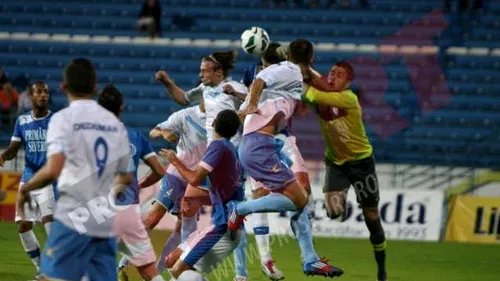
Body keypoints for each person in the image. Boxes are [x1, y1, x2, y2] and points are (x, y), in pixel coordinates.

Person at [229, 39, 343, 278]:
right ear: (310, 59)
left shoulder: (292, 75)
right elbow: (260, 81)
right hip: (259, 147)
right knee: (299, 201)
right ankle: (240, 209)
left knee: (301, 198)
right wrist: (250, 104)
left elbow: (315, 85)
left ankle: (310, 259)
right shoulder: (288, 69)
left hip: (263, 146)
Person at [15, 58, 132, 281]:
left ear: (64, 87)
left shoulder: (61, 119)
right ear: (95, 87)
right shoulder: (115, 124)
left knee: (48, 277)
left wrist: (25, 189)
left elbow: (53, 169)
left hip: (74, 214)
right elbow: (125, 177)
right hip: (104, 217)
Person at [156, 50, 249, 280]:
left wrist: (237, 93)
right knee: (195, 201)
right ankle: (191, 251)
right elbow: (183, 98)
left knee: (227, 209)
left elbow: (253, 107)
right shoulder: (204, 90)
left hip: (229, 156)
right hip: (213, 156)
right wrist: (168, 83)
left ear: (218, 71)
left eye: (204, 71)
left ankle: (240, 273)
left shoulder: (236, 88)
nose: (201, 75)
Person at [225, 42, 313, 281]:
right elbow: (257, 97)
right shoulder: (263, 77)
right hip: (260, 141)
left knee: (303, 193)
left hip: (280, 139)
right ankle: (266, 259)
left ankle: (307, 255)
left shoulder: (285, 72)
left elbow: (261, 94)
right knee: (262, 196)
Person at [304, 60, 388, 281]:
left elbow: (311, 93)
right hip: (336, 163)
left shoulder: (349, 98)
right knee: (333, 212)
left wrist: (302, 72)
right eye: (331, 72)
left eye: (339, 74)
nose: (333, 76)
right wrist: (303, 68)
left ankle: (381, 267)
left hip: (361, 163)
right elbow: (315, 85)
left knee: (371, 215)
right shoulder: (324, 95)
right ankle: (343, 193)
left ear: (348, 82)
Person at [118, 101, 208, 278]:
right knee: (153, 218)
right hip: (176, 174)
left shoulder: (219, 115)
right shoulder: (186, 115)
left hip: (197, 179)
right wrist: (164, 132)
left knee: (181, 228)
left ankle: (159, 273)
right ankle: (123, 263)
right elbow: (154, 131)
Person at [160, 109, 245, 280]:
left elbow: (194, 178)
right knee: (173, 262)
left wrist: (175, 161)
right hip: (226, 226)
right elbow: (223, 194)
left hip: (222, 228)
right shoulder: (232, 151)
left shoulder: (218, 146)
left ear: (213, 124)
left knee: (178, 272)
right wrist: (192, 197)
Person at [97, 84, 166, 281]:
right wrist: (140, 184)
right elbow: (160, 171)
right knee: (148, 270)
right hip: (129, 211)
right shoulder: (135, 137)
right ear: (122, 107)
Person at [0, 81, 55, 279]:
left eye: (46, 92)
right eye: (39, 92)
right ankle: (41, 270)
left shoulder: (56, 120)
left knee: (50, 226)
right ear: (31, 96)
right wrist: (4, 156)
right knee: (23, 226)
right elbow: (14, 148)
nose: (43, 95)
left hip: (49, 180)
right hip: (29, 180)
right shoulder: (22, 121)